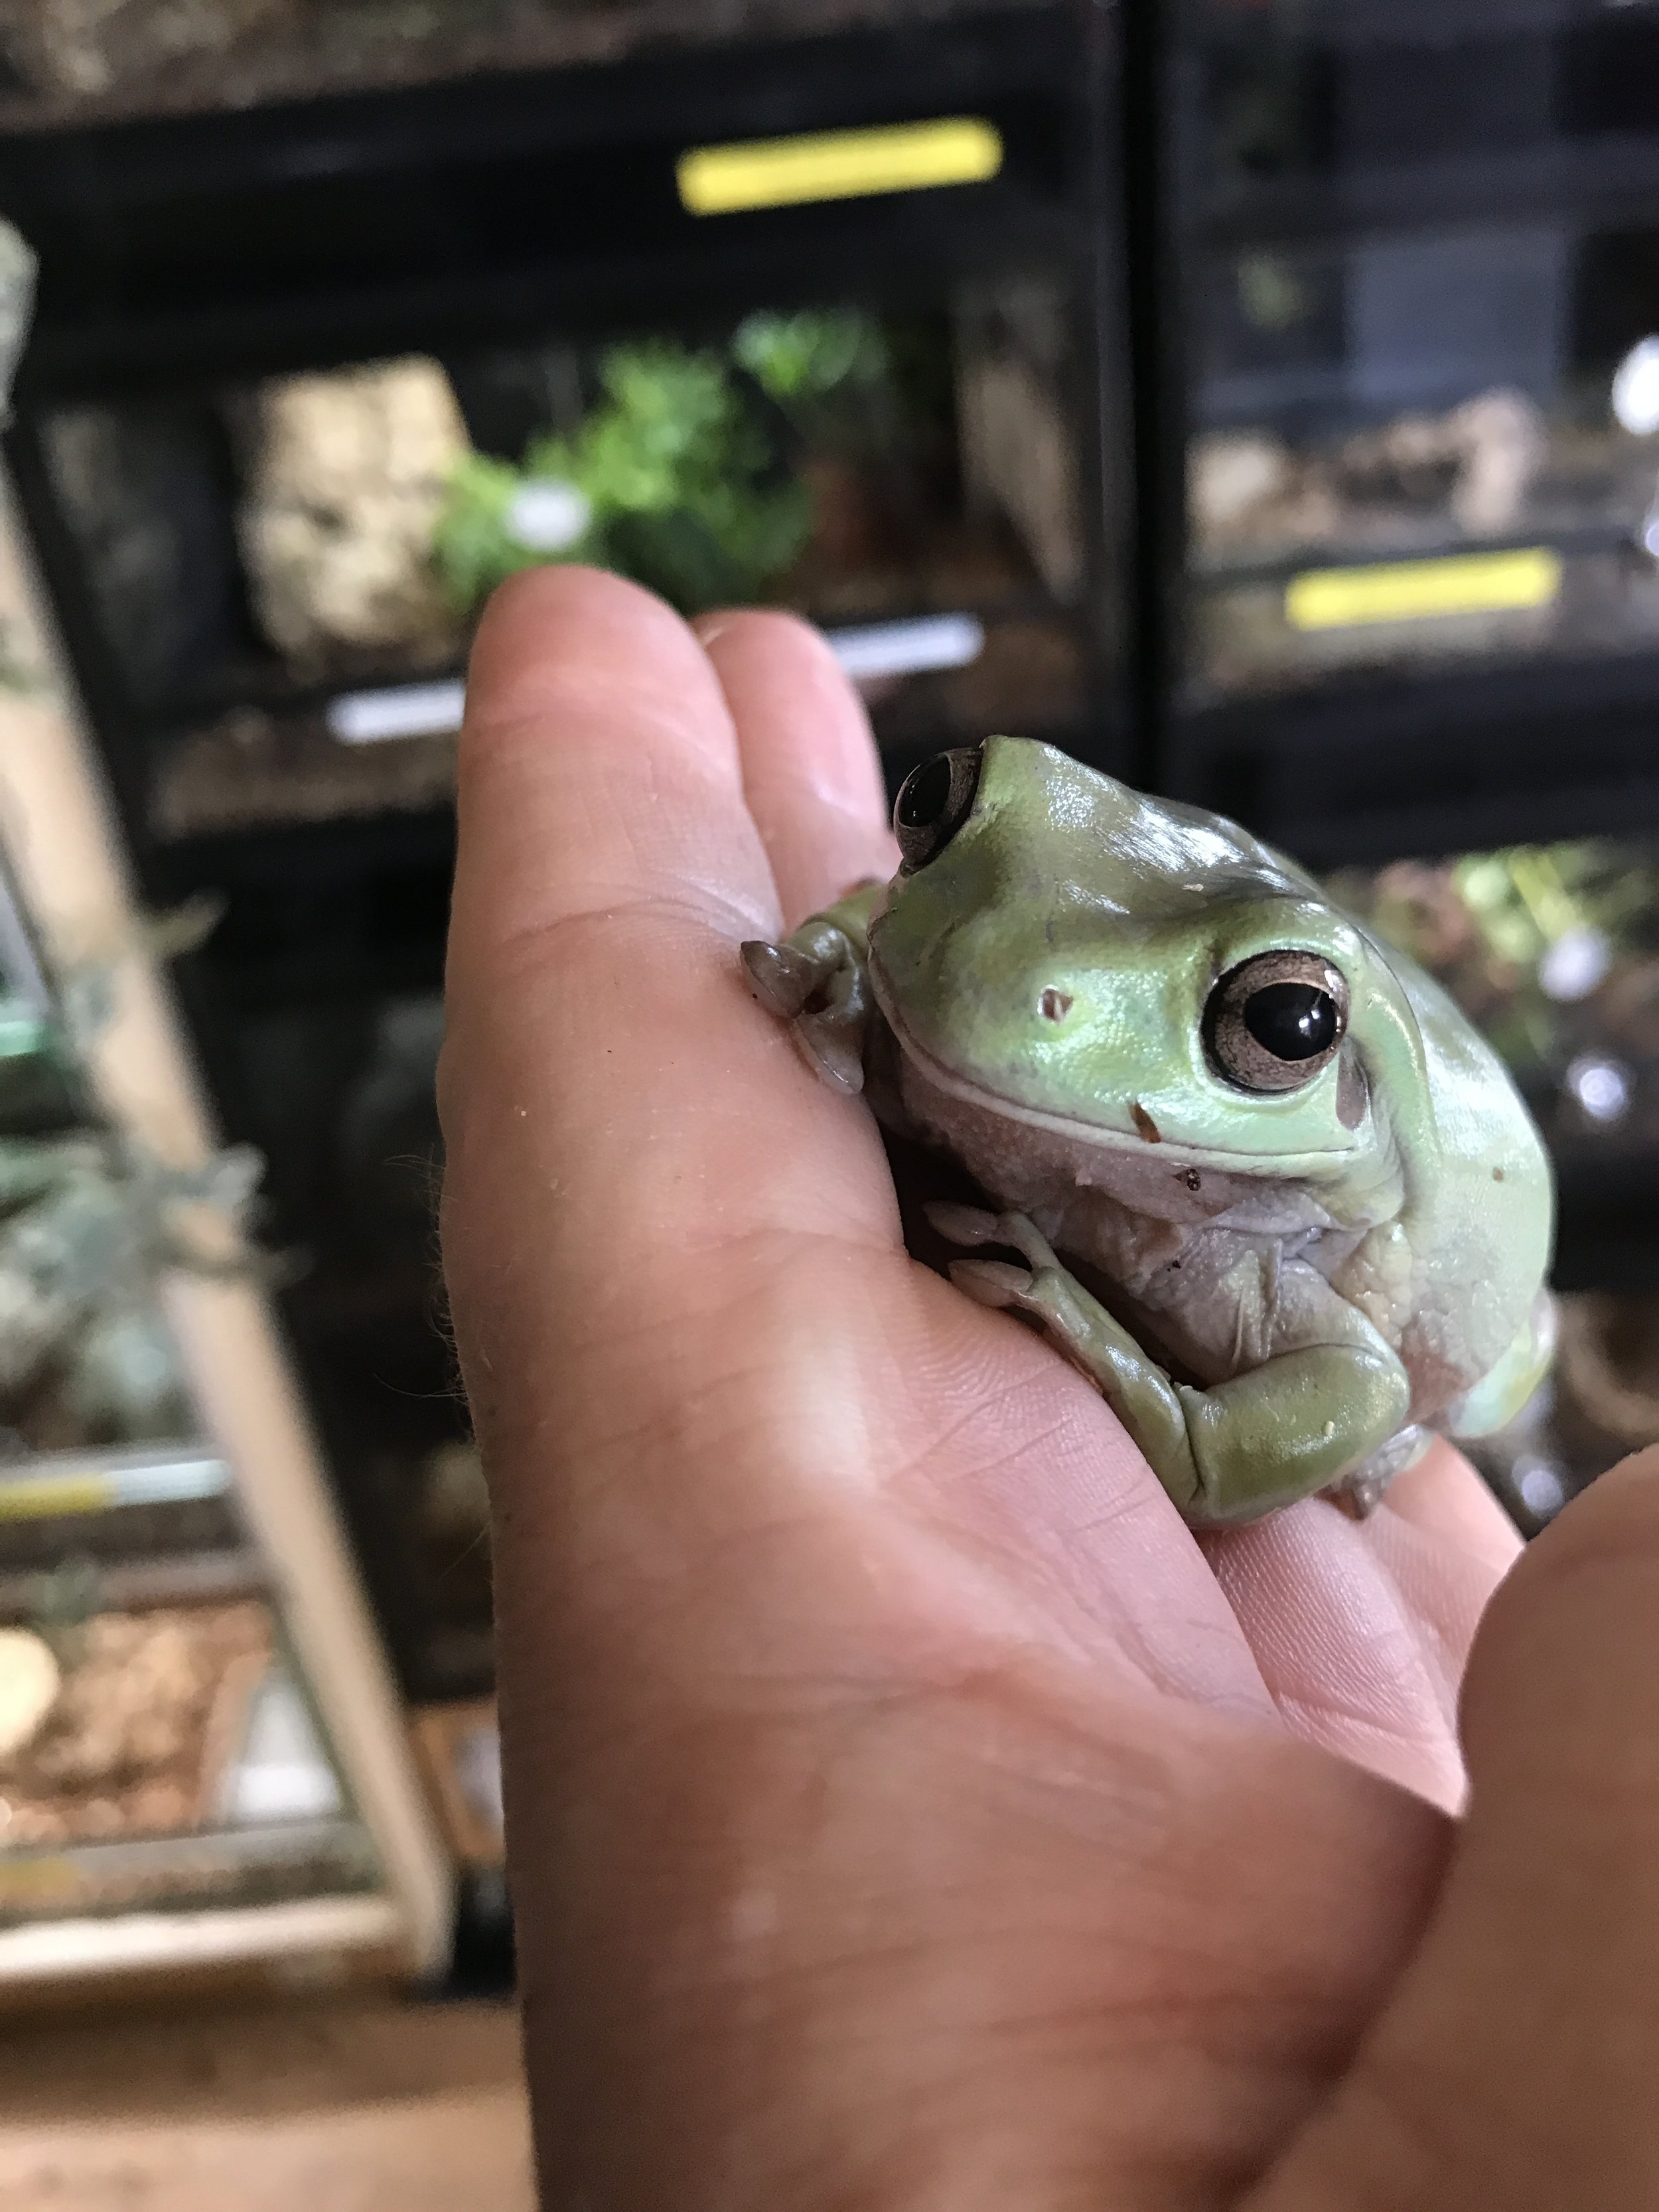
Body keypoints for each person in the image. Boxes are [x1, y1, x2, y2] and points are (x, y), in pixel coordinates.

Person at [440, 565, 1659, 2210]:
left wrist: (1162, 1398)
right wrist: (860, 937)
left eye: (1271, 1017)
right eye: (942, 816)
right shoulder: (1003, 932)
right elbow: (935, 911)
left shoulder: (1309, 1255)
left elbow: (1348, 1391)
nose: (983, 928)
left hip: (1405, 1284)